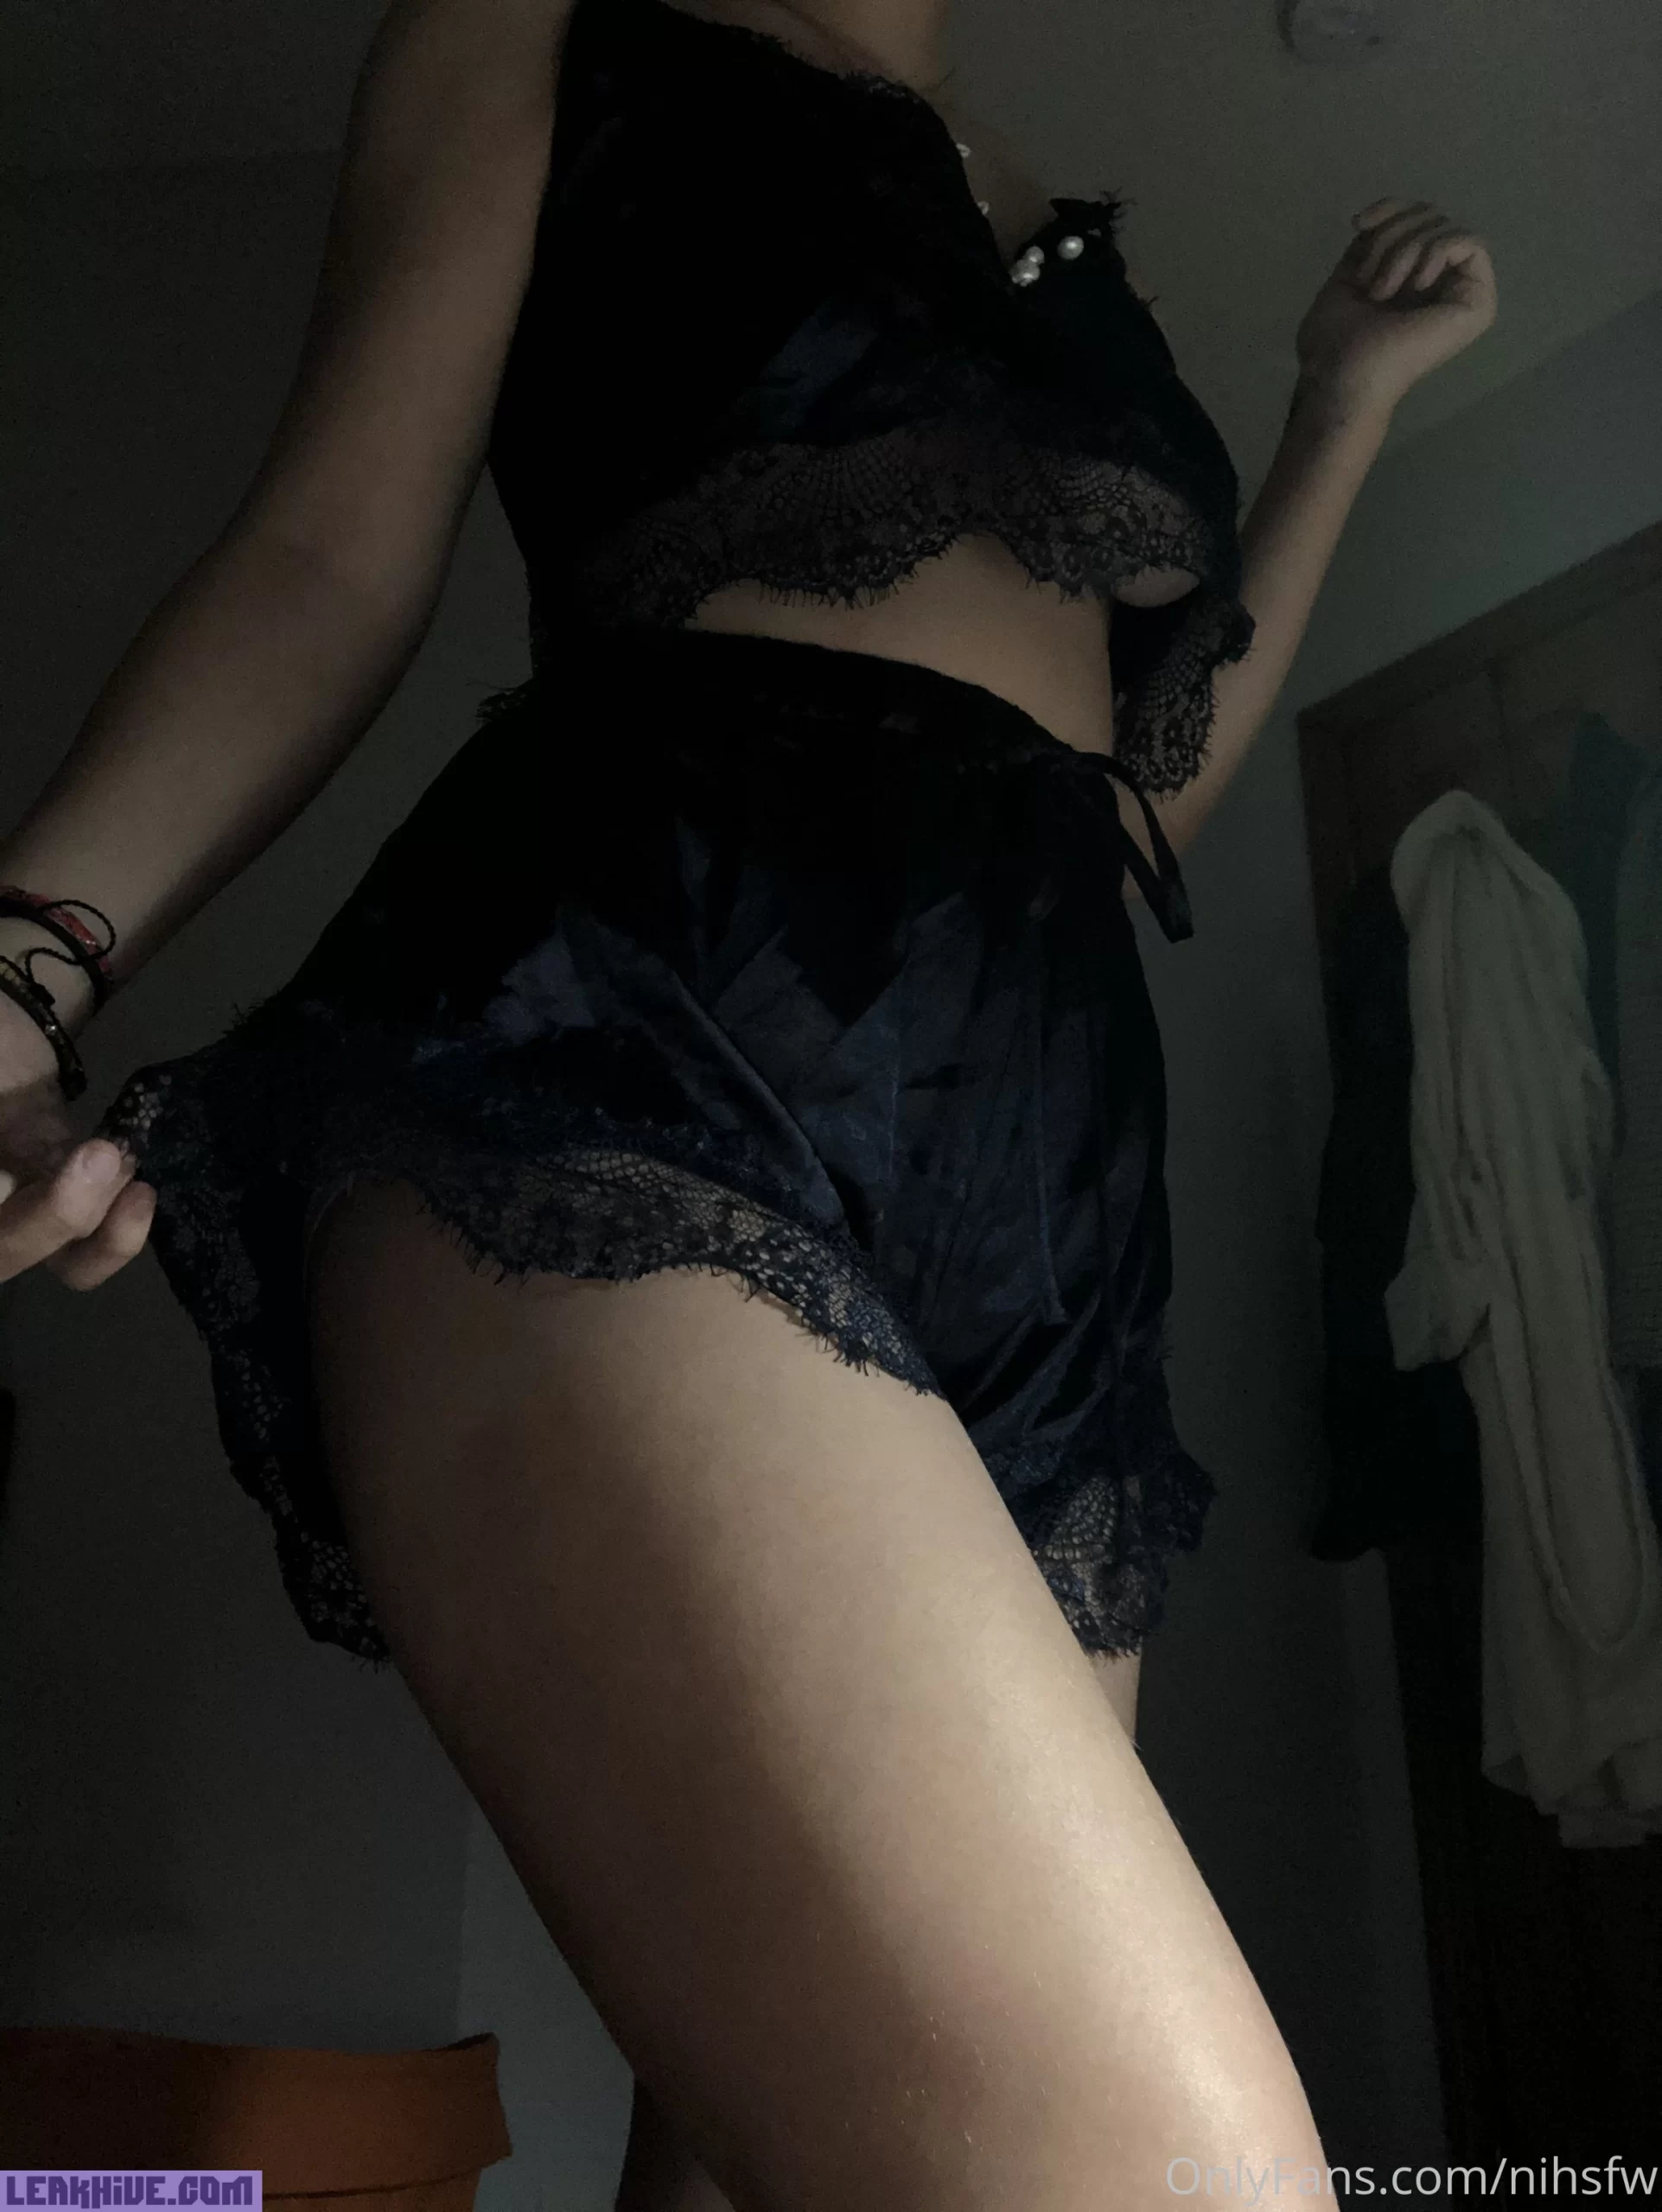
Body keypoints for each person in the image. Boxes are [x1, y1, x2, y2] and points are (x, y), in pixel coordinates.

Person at [0, 0, 1496, 2203]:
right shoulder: (550, 27)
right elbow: (331, 552)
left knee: (759, 2149)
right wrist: (22, 964)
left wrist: (1340, 407)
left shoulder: (1058, 225)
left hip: (1055, 1179)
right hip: (635, 1027)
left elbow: (1129, 804)